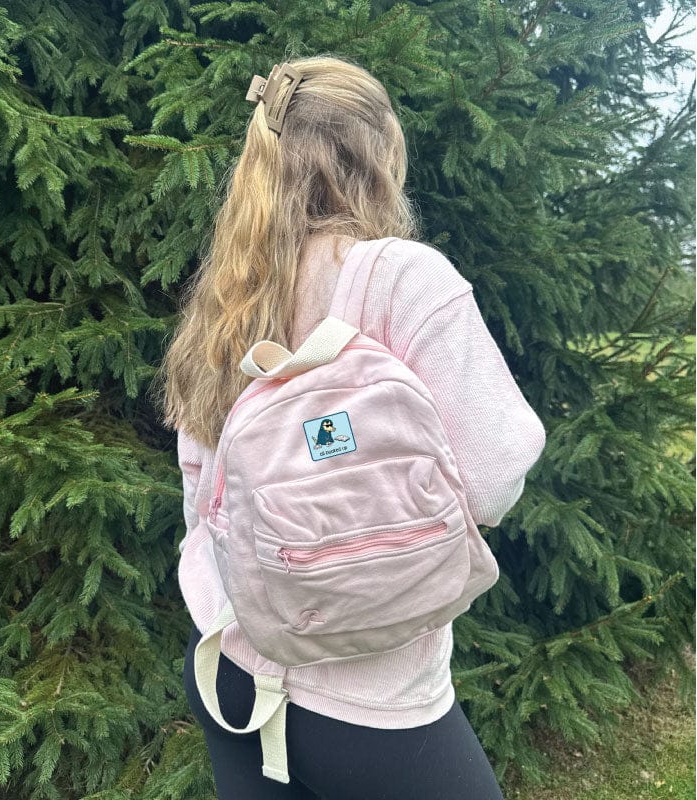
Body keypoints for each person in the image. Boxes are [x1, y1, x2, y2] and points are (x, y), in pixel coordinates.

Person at [152, 54, 546, 800]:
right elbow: (493, 475)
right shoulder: (401, 278)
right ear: (381, 155)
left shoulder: (229, 295)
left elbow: (200, 490)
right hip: (372, 707)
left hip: (231, 673)